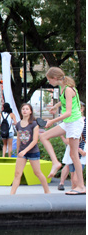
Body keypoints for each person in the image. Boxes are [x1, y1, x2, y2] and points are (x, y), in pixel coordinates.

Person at [40, 67, 85, 195]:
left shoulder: (69, 90)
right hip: (69, 122)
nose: (49, 82)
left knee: (74, 155)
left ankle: (81, 186)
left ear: (55, 78)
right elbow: (65, 101)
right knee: (43, 137)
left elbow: (69, 112)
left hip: (74, 123)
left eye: (49, 80)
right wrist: (56, 105)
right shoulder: (64, 88)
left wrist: (52, 121)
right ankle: (55, 162)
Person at [10, 104, 50, 195]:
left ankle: (47, 191)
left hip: (32, 152)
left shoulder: (34, 124)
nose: (25, 110)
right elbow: (19, 138)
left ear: (30, 111)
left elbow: (35, 140)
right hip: (22, 152)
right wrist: (18, 151)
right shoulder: (18, 124)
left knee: (37, 173)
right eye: (23, 109)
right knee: (17, 174)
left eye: (27, 109)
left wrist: (25, 151)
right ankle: (12, 194)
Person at [56, 102, 86, 191]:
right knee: (73, 178)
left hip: (81, 153)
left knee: (76, 178)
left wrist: (80, 150)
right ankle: (74, 194)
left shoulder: (83, 122)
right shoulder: (71, 122)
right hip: (72, 153)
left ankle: (79, 191)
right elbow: (68, 140)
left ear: (82, 109)